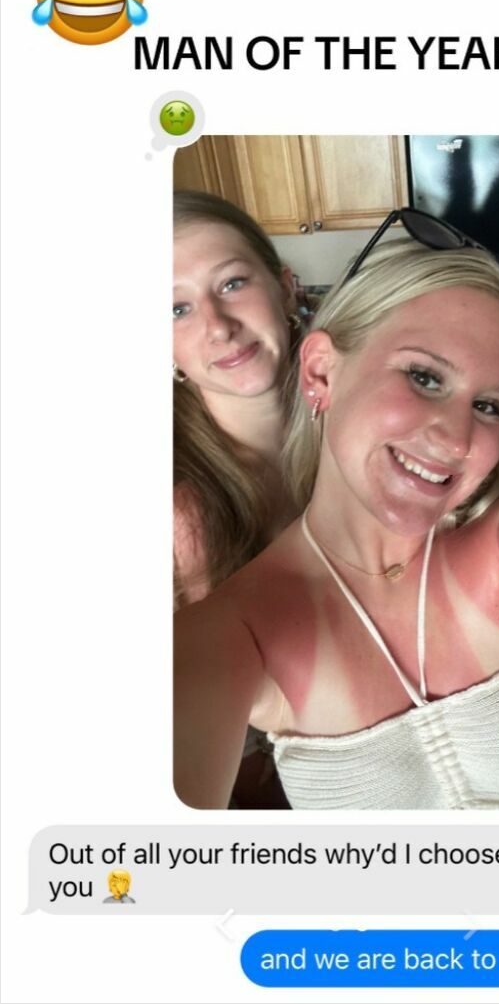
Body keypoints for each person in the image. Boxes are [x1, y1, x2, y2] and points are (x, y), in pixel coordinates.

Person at [175, 216, 499, 812]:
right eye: (424, 376)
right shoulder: (230, 632)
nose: (457, 438)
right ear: (321, 371)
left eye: (488, 404)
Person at [173, 190, 302, 807]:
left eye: (231, 283)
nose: (217, 327)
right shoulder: (170, 511)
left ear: (285, 287)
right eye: (176, 310)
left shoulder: (378, 429)